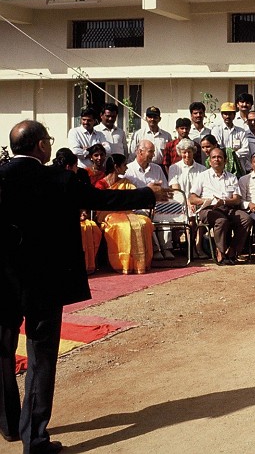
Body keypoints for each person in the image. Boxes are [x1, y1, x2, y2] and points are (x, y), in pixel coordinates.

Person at [0, 121, 159, 454]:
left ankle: (9, 425)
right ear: (40, 146)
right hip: (44, 282)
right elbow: (103, 200)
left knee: (2, 352)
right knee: (41, 358)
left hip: (3, 281)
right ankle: (35, 438)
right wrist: (148, 194)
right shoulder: (60, 179)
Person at [94, 154, 160, 270]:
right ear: (116, 167)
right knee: (123, 226)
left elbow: (134, 197)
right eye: (124, 165)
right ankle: (122, 264)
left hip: (127, 213)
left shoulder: (125, 182)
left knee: (144, 222)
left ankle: (139, 263)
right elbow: (100, 205)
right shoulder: (101, 185)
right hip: (107, 215)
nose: (127, 168)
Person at [188, 147, 252, 265]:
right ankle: (221, 252)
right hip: (208, 209)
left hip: (227, 207)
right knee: (221, 221)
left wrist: (223, 202)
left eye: (220, 157)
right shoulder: (202, 176)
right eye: (214, 157)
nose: (217, 159)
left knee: (246, 219)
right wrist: (205, 200)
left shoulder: (231, 177)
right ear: (209, 160)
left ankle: (232, 251)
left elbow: (237, 199)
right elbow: (192, 198)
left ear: (225, 160)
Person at [167, 139, 209, 258]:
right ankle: (192, 248)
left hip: (198, 203)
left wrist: (195, 202)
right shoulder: (174, 168)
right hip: (180, 203)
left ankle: (198, 246)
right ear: (180, 152)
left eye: (189, 152)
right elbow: (176, 190)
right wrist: (188, 202)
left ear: (194, 152)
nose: (187, 155)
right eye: (184, 152)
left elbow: (203, 190)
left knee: (200, 217)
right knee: (191, 219)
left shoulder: (202, 169)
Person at [211, 102, 250, 174]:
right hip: (222, 168)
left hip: (239, 169)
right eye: (225, 114)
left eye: (230, 114)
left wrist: (232, 155)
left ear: (234, 115)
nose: (227, 116)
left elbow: (246, 150)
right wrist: (232, 153)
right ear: (222, 115)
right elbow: (218, 148)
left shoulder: (241, 131)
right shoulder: (216, 130)